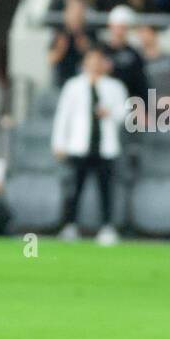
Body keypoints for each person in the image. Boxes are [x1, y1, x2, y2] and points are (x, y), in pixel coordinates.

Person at [52, 48, 127, 246]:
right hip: (79, 146)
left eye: (98, 60)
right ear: (85, 63)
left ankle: (107, 226)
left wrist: (109, 111)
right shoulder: (73, 86)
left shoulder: (115, 87)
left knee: (106, 189)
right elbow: (63, 116)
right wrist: (59, 142)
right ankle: (70, 225)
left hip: (104, 147)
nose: (94, 64)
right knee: (75, 188)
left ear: (104, 63)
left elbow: (125, 113)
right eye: (91, 60)